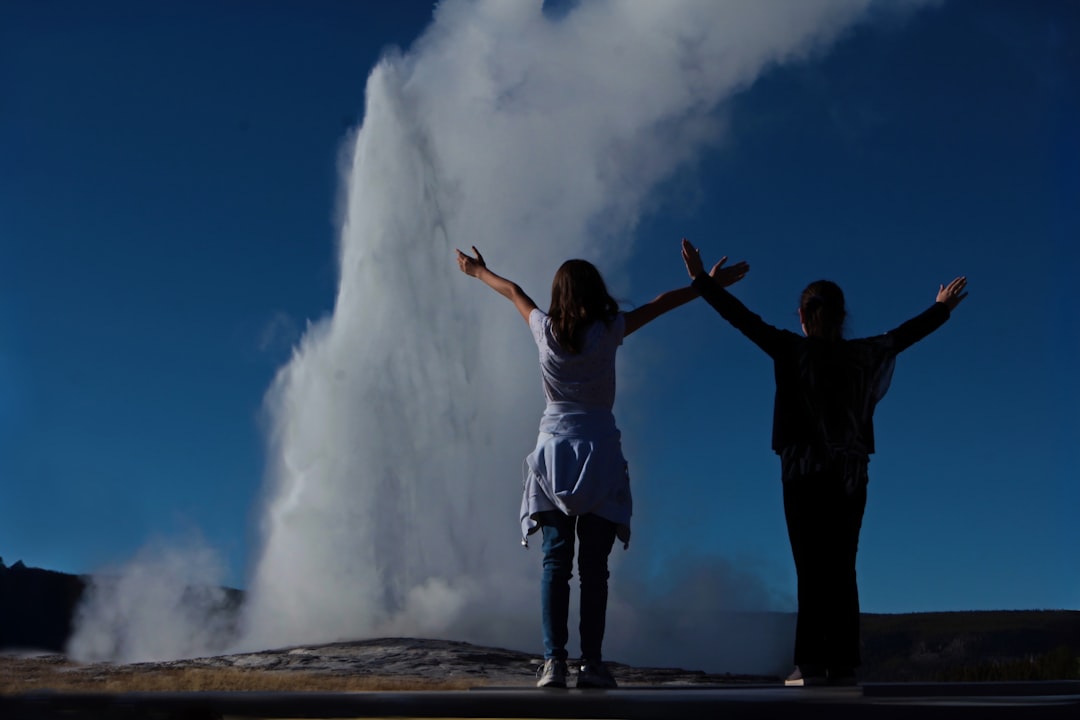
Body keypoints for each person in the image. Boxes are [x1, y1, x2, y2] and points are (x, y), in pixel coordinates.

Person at [456, 244, 748, 689]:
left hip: (554, 453)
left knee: (556, 563)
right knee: (594, 569)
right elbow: (660, 304)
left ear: (558, 294)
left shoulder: (544, 330)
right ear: (594, 292)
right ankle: (591, 664)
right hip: (600, 453)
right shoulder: (609, 330)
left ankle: (554, 663)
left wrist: (477, 271)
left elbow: (513, 291)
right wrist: (705, 284)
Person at [680, 238, 968, 687]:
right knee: (843, 566)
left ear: (802, 316)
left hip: (802, 474)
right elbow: (903, 336)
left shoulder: (790, 350)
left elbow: (743, 320)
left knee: (810, 567)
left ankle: (811, 664)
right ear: (842, 316)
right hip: (851, 476)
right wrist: (941, 309)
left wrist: (702, 281)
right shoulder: (862, 355)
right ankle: (844, 664)